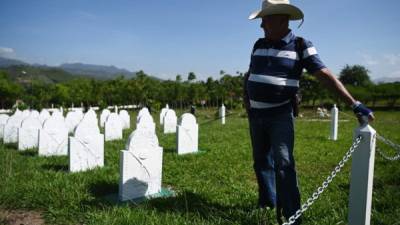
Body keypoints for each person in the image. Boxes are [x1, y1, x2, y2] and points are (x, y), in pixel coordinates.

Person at [243, 1, 375, 224]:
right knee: (261, 161)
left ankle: (292, 214)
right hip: (255, 116)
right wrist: (247, 100)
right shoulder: (258, 44)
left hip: (279, 115)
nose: (261, 26)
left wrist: (354, 103)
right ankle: (267, 201)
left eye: (264, 20)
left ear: (281, 19)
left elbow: (323, 74)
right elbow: (250, 74)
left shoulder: (301, 45)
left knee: (284, 163)